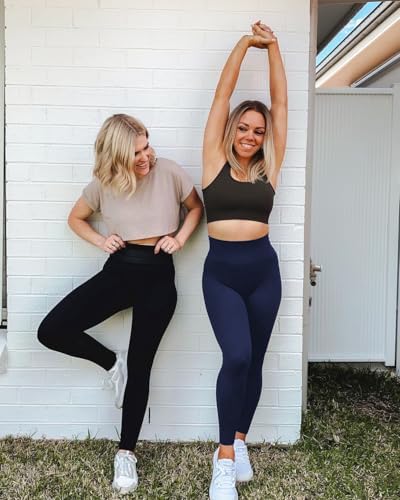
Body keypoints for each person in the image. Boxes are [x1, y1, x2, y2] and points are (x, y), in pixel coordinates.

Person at [37, 113, 203, 495]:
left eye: (147, 147)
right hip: (119, 271)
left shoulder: (170, 172)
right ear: (116, 157)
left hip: (158, 276)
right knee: (51, 330)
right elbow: (76, 218)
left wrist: (179, 238)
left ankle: (126, 453)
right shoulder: (104, 184)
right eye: (136, 153)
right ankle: (113, 363)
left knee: (142, 367)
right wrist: (100, 240)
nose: (146, 157)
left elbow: (196, 208)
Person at [201, 22, 288, 500]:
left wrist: (274, 48)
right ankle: (223, 461)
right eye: (243, 127)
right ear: (231, 127)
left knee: (253, 361)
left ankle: (239, 439)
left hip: (263, 272)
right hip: (222, 275)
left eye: (259, 130)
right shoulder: (214, 161)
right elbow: (222, 94)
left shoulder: (269, 167)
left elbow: (282, 103)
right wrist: (245, 44)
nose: (251, 136)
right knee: (235, 355)